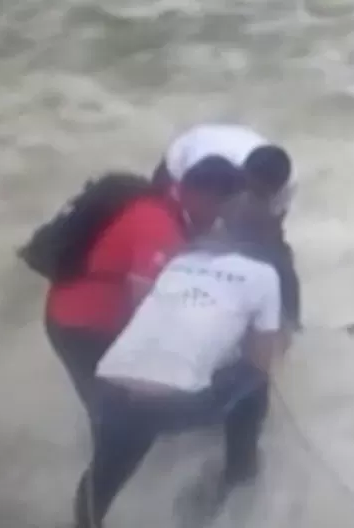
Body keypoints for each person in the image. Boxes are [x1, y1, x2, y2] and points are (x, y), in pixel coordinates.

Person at [76, 231, 287, 528]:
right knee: (255, 383)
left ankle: (86, 518)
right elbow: (263, 360)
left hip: (110, 387)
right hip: (177, 403)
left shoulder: (178, 262)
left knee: (109, 467)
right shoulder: (265, 274)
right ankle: (239, 475)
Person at [40, 156, 244, 424]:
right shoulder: (158, 226)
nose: (223, 219)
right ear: (199, 196)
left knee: (125, 406)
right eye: (221, 208)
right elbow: (146, 309)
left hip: (77, 312)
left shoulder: (167, 202)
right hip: (82, 326)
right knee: (116, 415)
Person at [152, 123, 301, 329]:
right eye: (251, 189)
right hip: (181, 167)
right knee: (179, 235)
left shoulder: (288, 184)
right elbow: (196, 211)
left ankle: (290, 323)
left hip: (231, 172)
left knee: (273, 251)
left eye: (261, 195)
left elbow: (271, 231)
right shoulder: (208, 162)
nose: (253, 199)